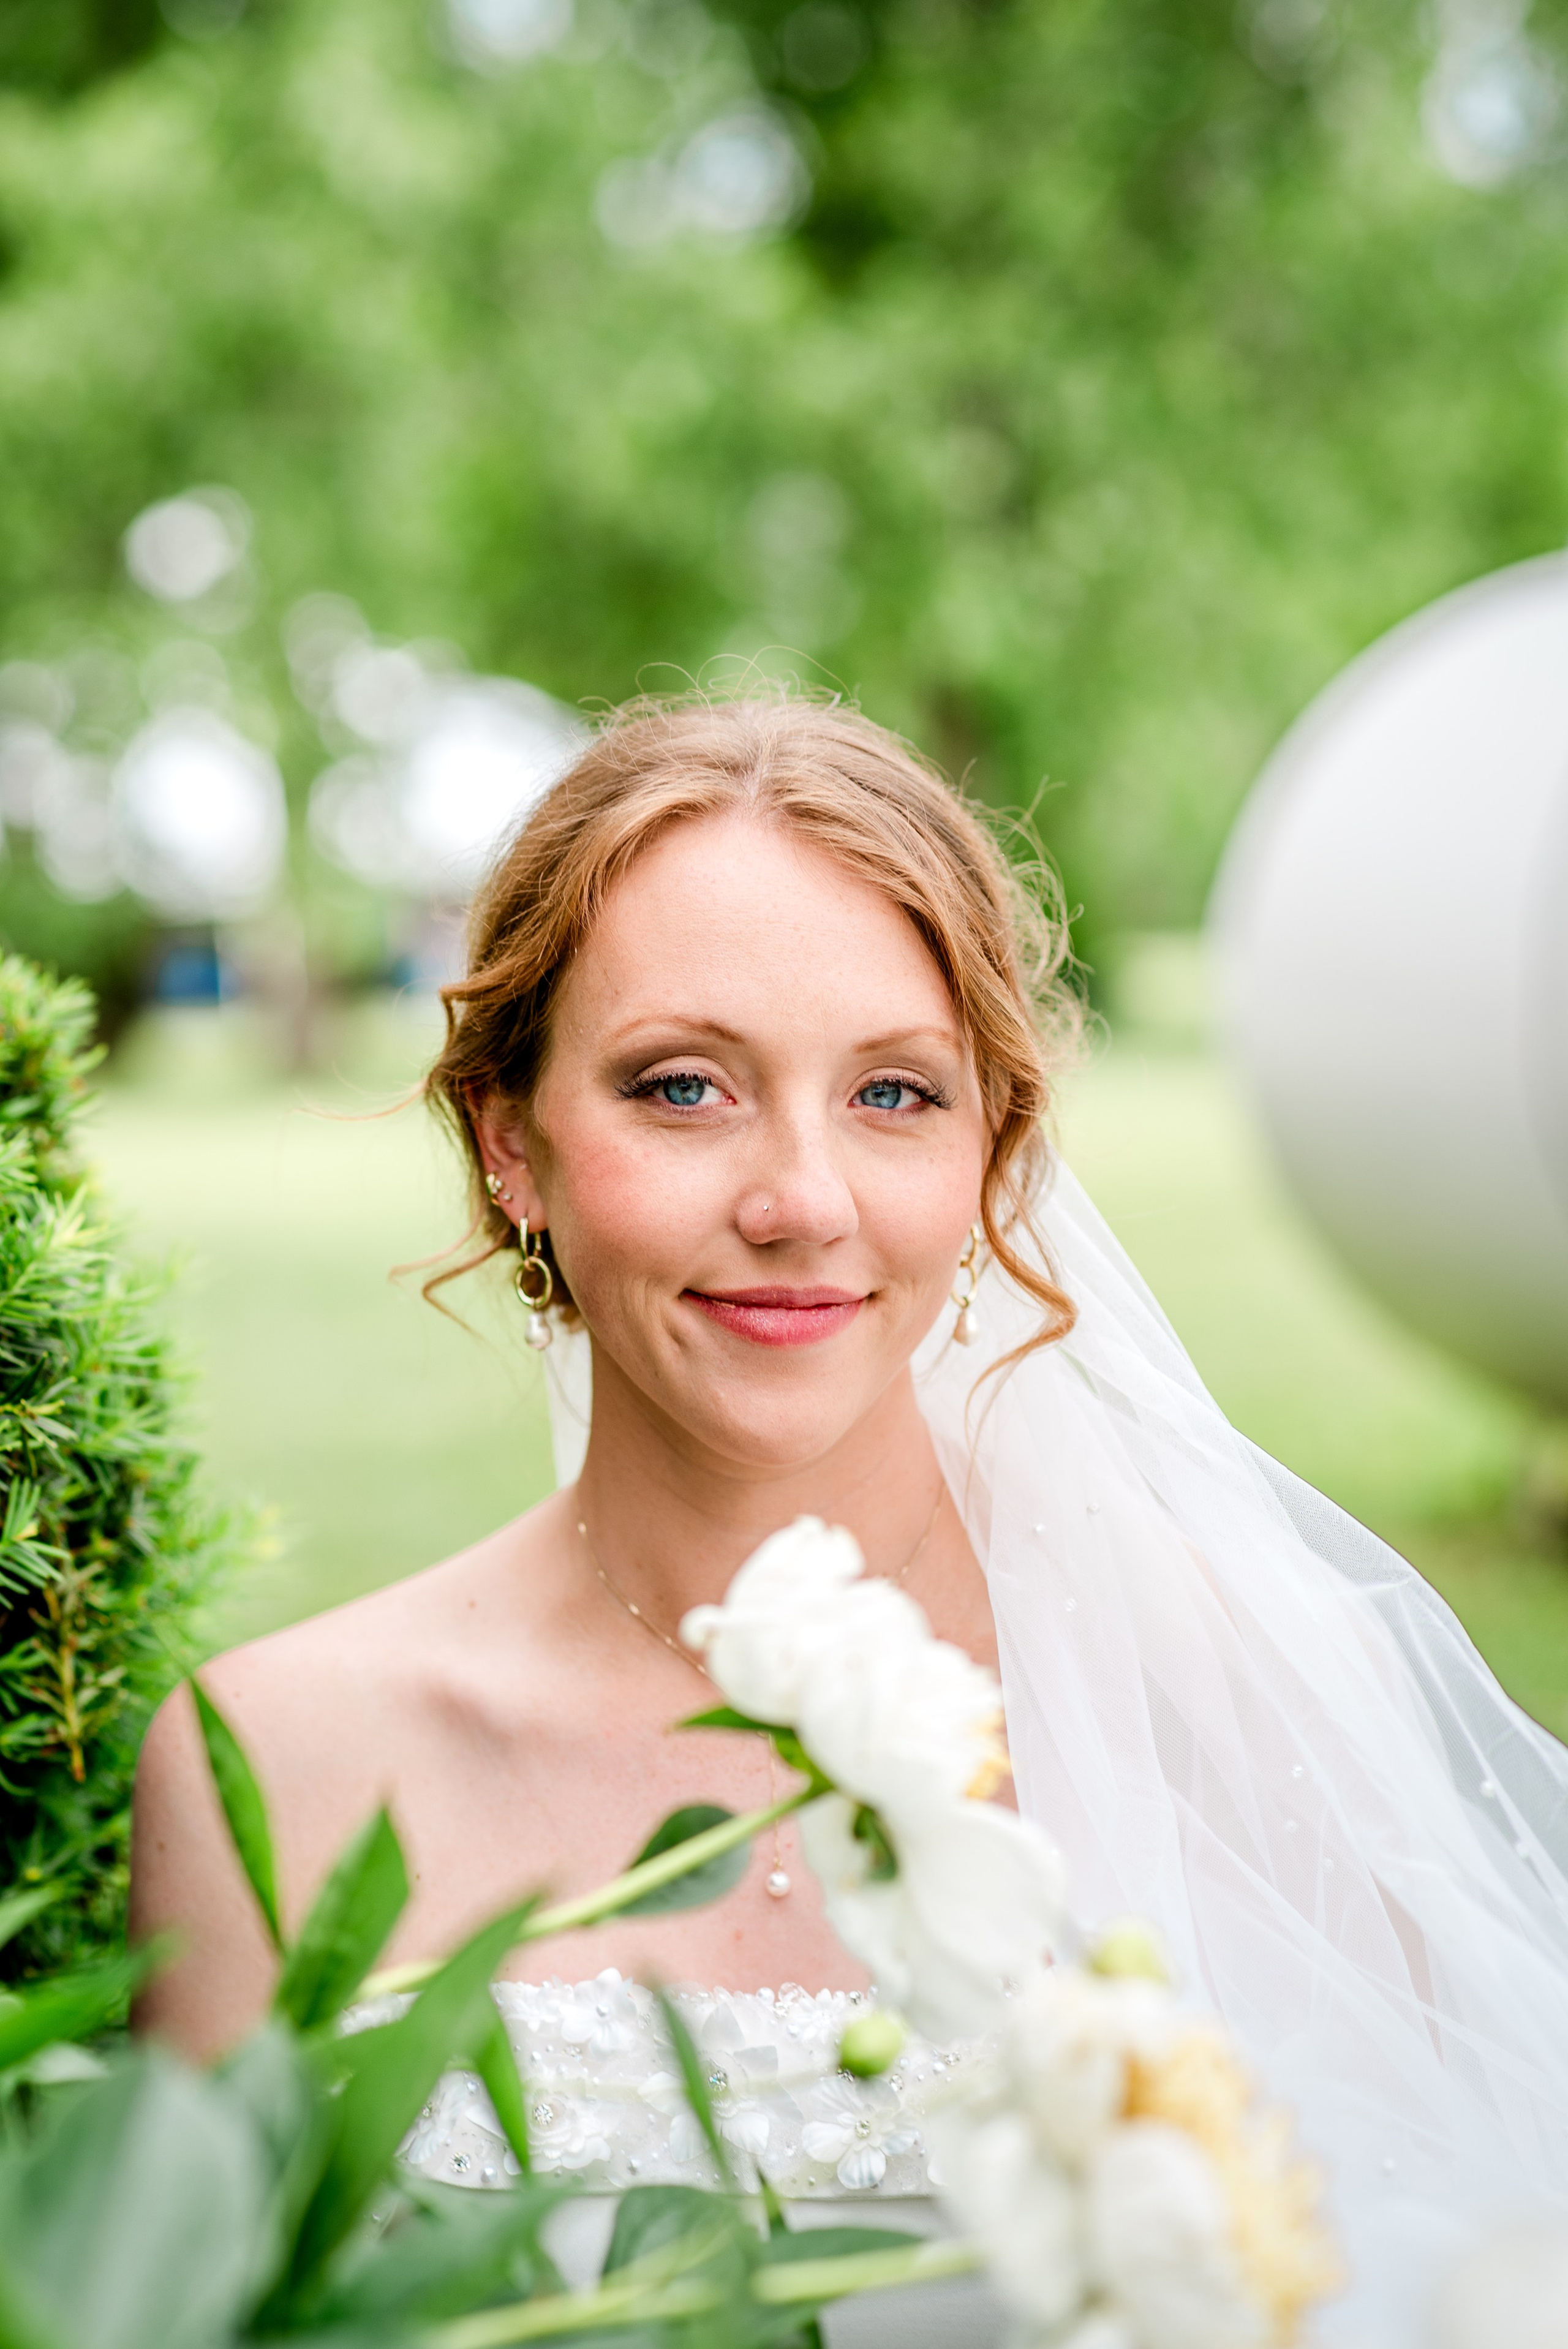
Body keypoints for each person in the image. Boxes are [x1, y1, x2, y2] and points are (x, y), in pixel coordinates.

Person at [131, 693, 1568, 2347]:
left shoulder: (1230, 1690)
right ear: (510, 1141)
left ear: (993, 1152)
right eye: (683, 1087)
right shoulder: (276, 1769)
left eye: (895, 1094)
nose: (800, 1200)